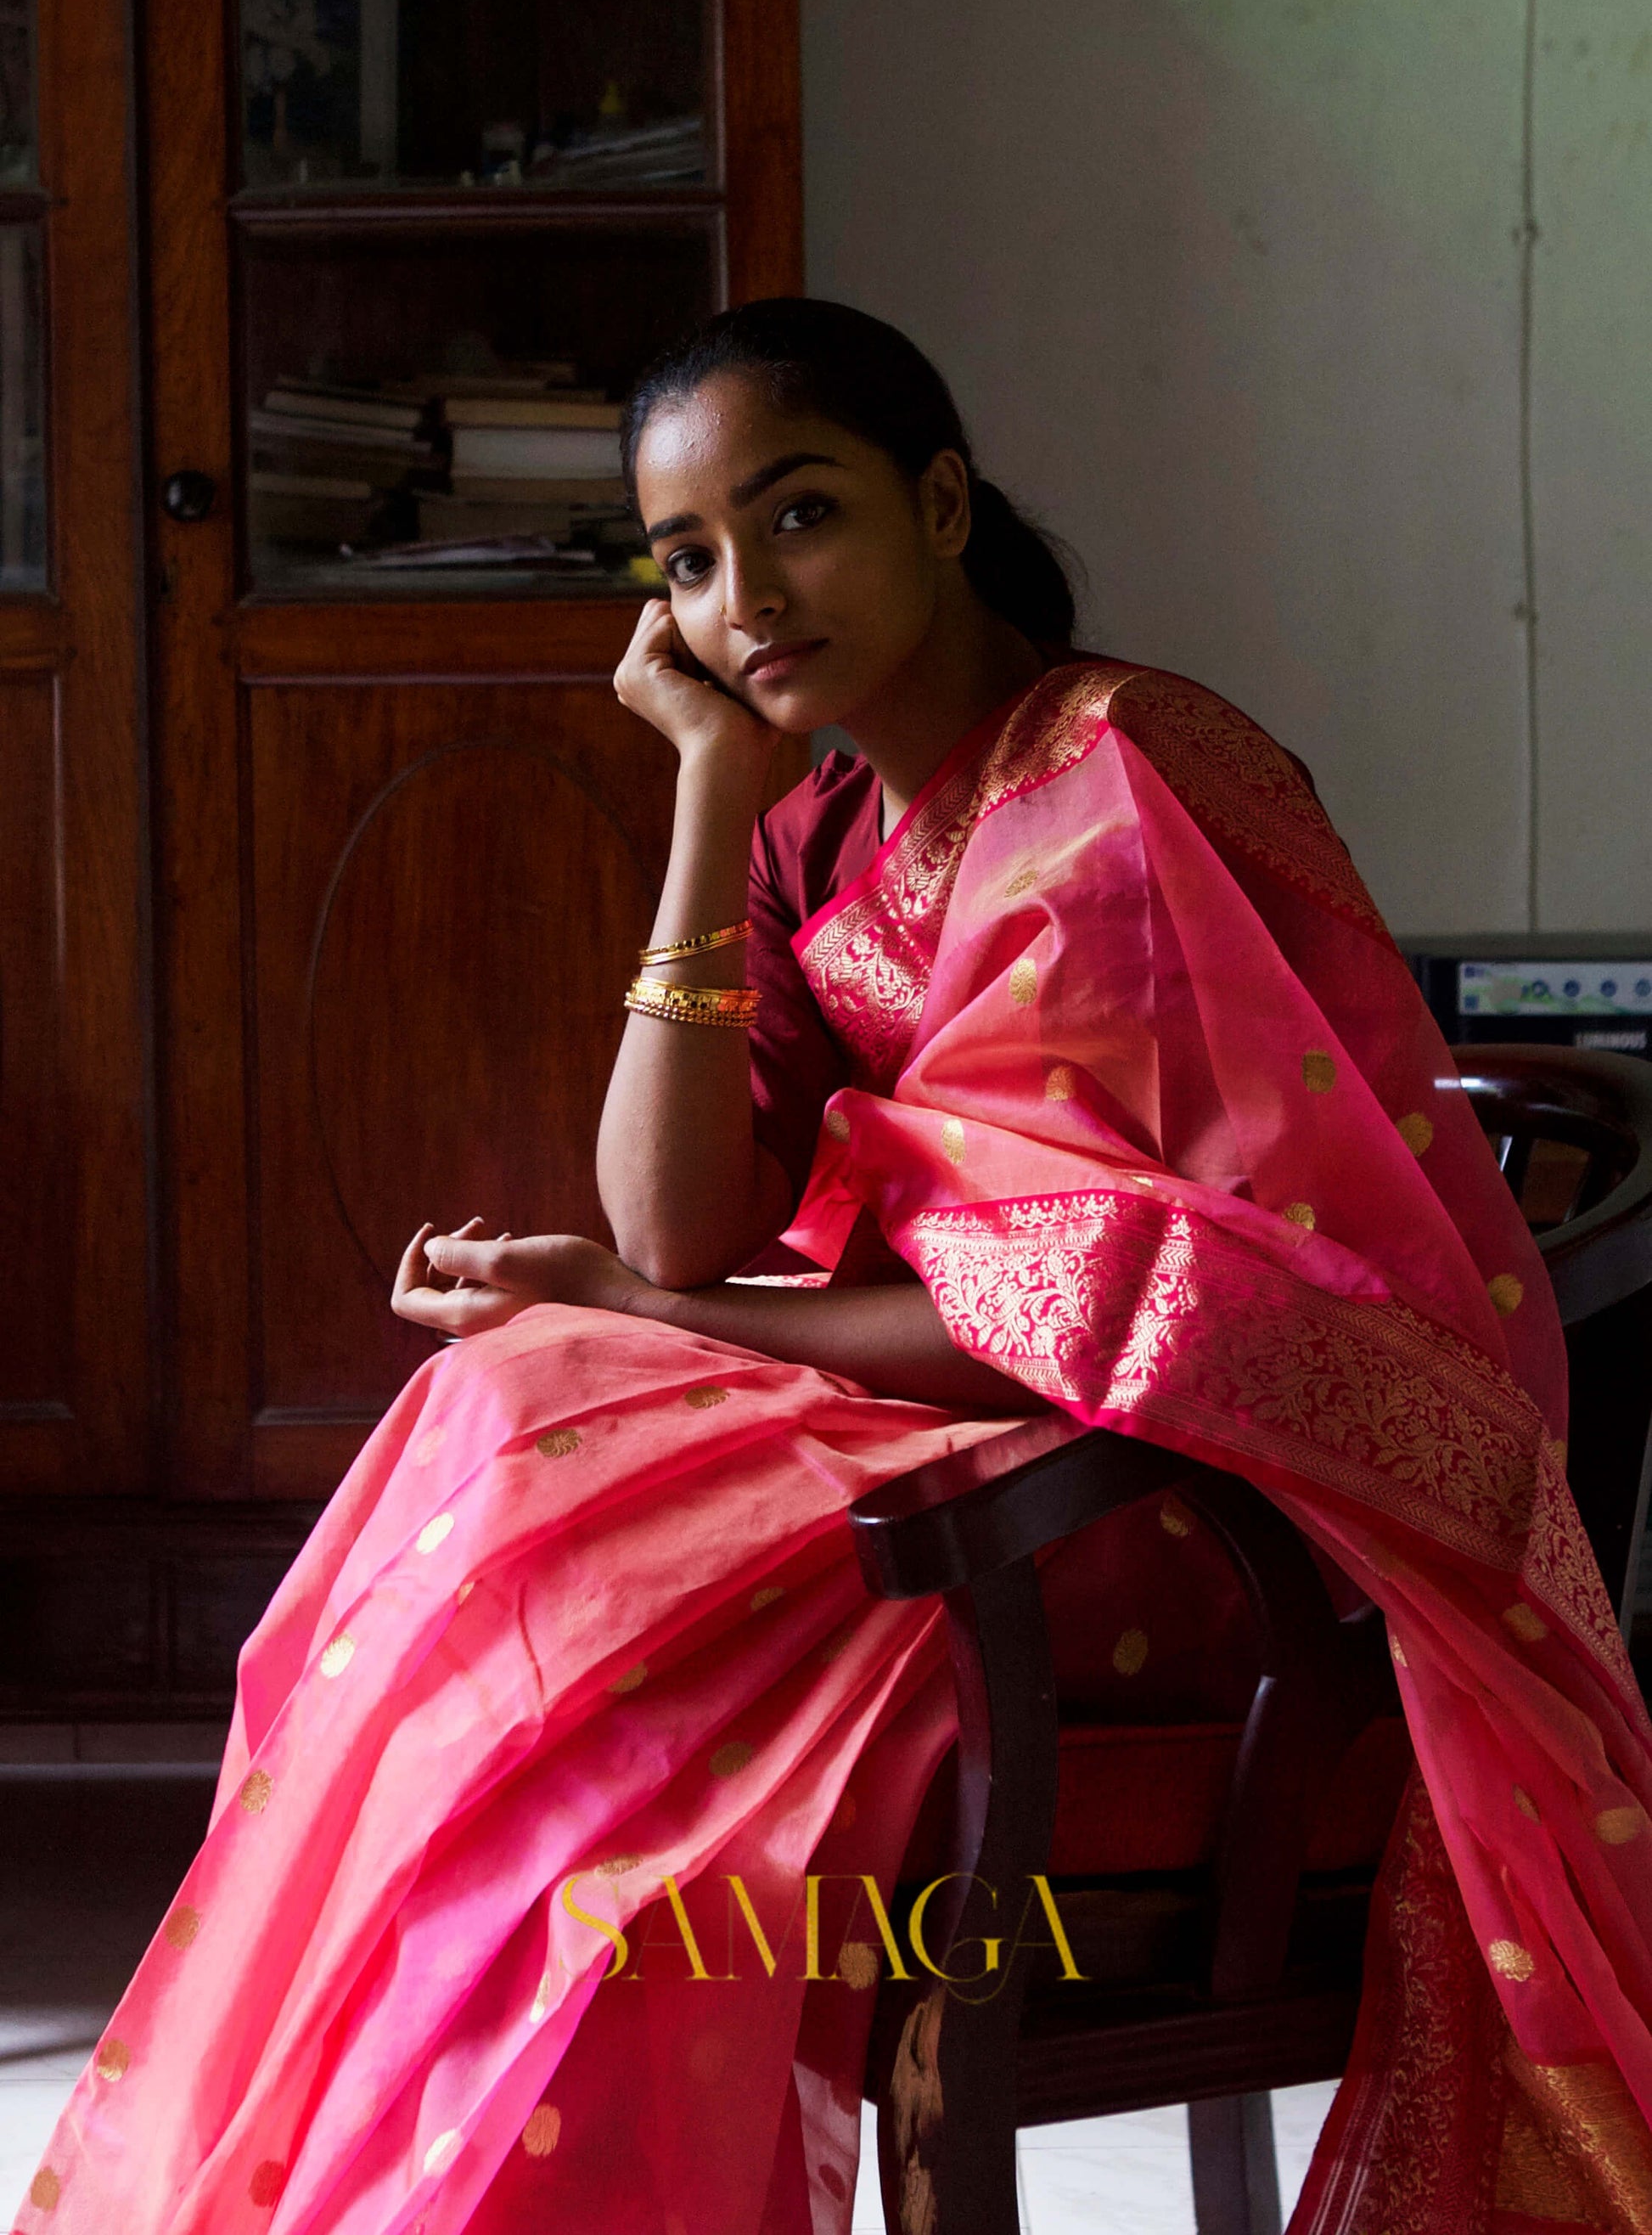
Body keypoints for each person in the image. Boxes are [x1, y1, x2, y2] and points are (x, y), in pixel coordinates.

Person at [28, 300, 1652, 2235]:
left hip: (1195, 1514)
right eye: (688, 563)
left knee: (572, 1572)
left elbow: (1136, 1310)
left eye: (797, 517)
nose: (744, 597)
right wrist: (708, 797)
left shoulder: (1118, 772)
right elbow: (673, 1217)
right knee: (505, 1491)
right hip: (960, 1458)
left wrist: (653, 1319)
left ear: (940, 500)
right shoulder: (820, 826)